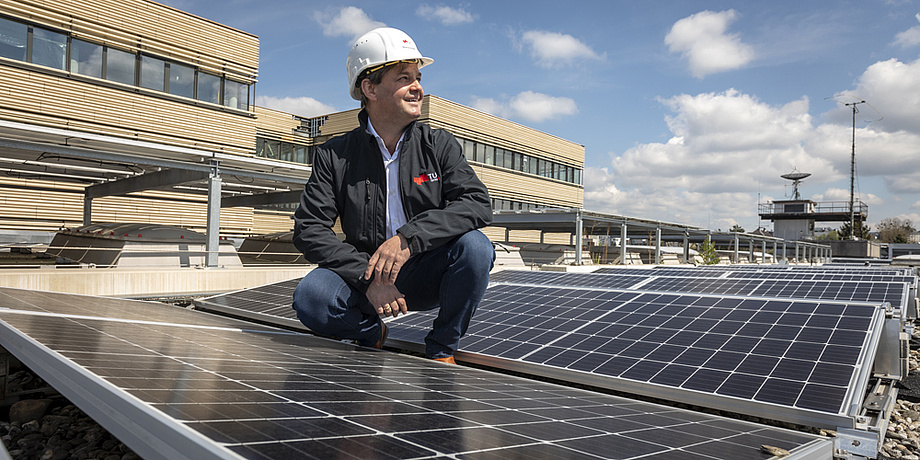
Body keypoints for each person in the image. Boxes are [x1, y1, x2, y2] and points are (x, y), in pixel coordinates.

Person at [291, 27, 494, 364]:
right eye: (404, 78)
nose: (418, 87)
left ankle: (442, 349)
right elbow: (309, 230)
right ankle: (372, 333)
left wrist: (408, 239)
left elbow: (476, 204)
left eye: (418, 77)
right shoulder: (335, 155)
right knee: (312, 297)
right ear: (369, 88)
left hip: (425, 270)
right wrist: (367, 277)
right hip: (364, 273)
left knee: (475, 247)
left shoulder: (438, 144)